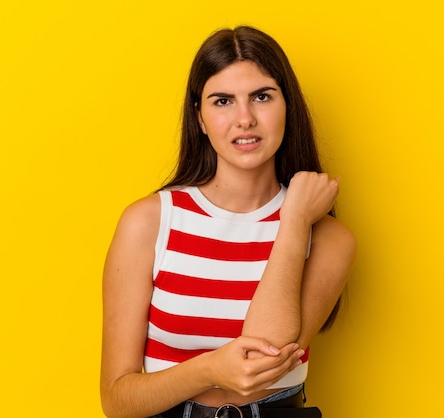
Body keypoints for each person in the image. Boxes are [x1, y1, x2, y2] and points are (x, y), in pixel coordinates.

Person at [100, 26, 356, 418]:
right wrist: (208, 369)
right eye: (222, 101)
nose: (245, 118)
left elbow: (263, 353)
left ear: (287, 106)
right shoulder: (149, 222)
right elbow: (117, 401)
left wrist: (294, 221)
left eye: (261, 97)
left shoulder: (326, 237)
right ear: (199, 118)